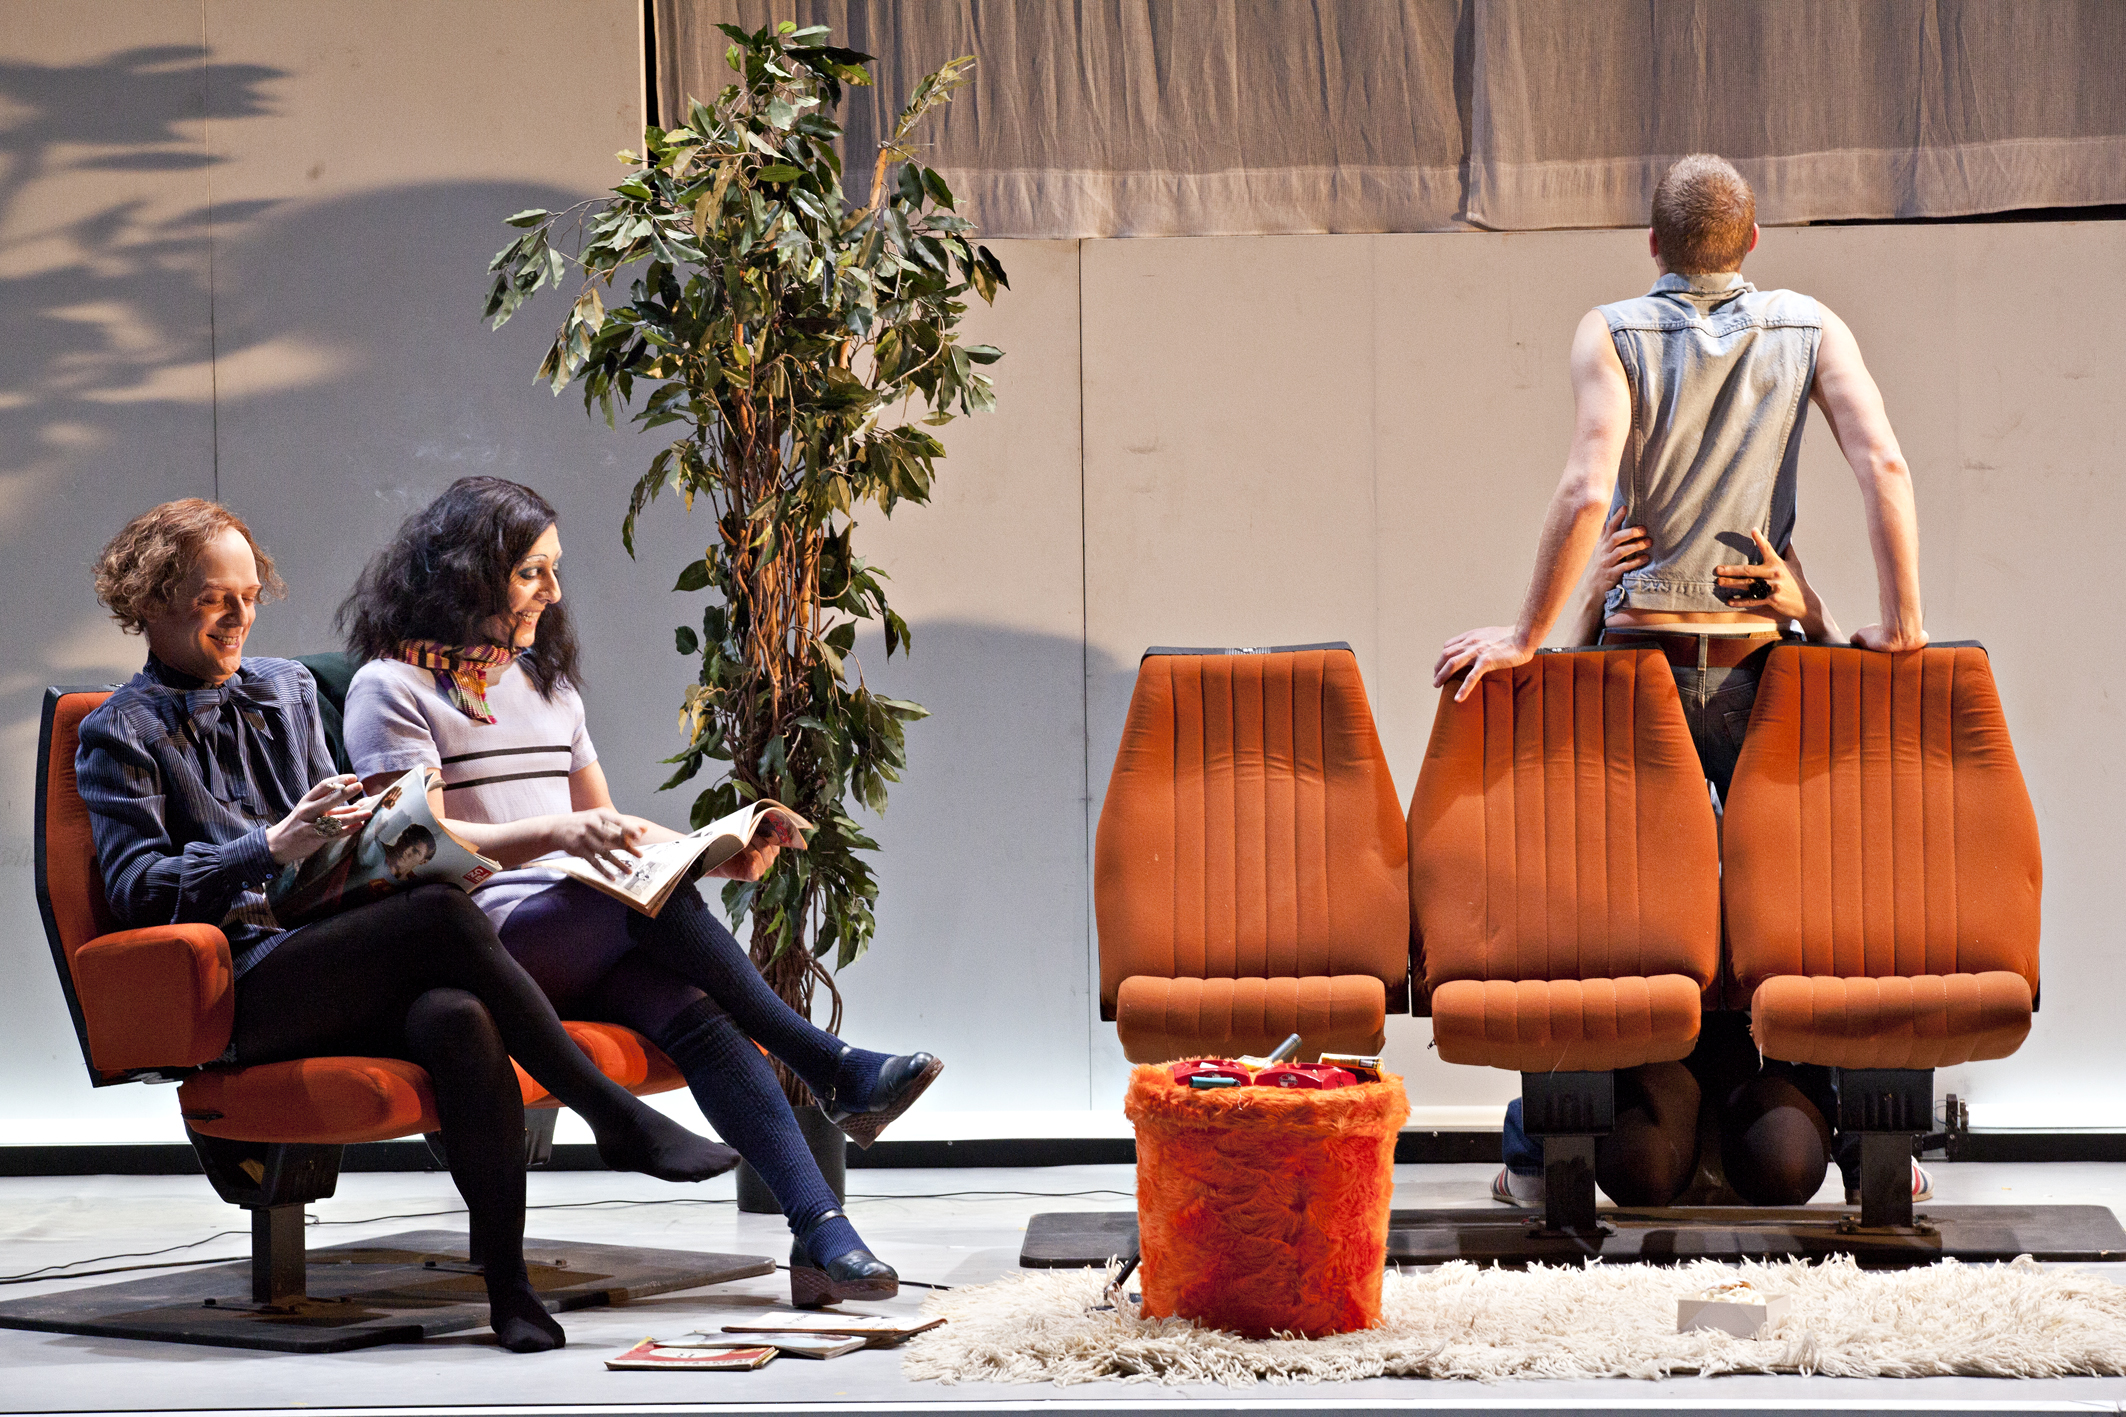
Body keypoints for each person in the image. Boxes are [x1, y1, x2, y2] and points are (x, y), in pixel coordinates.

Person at [75, 499, 742, 1353]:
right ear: (151, 600)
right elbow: (136, 889)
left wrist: (373, 838)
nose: (239, 616)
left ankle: (510, 1291)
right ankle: (611, 1113)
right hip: (245, 983)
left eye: (249, 596)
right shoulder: (119, 732)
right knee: (437, 914)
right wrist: (267, 846)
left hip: (333, 949)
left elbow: (341, 837)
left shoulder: (285, 689)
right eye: (214, 599)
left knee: (456, 1015)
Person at [1432, 154, 1931, 1213]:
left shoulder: (1609, 330)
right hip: (1753, 658)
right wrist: (1899, 625)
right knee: (1812, 898)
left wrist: (1529, 635)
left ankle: (1537, 1152)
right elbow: (1884, 464)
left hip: (1641, 668)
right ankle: (1868, 1141)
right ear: (1750, 240)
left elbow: (1586, 486)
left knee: (1588, 905)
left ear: (1652, 244)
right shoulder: (1808, 324)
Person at [336, 476, 942, 1308]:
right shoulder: (390, 688)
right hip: (479, 940)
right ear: (467, 575)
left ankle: (822, 1230)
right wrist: (557, 836)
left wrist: (716, 857)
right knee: (626, 901)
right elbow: (420, 845)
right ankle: (829, 1063)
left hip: (580, 926)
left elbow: (608, 829)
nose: (553, 591)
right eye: (531, 572)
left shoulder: (546, 684)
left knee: (697, 1010)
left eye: (554, 569)